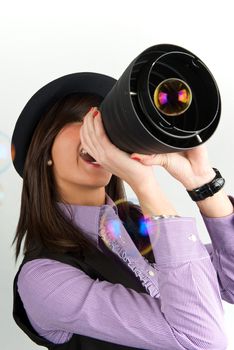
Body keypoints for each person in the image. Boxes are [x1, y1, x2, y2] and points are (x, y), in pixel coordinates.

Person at [11, 72, 234, 350]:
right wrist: (144, 183)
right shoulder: (44, 278)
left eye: (105, 125)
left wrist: (202, 182)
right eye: (80, 119)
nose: (97, 135)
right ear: (44, 150)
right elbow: (203, 340)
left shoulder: (138, 225)